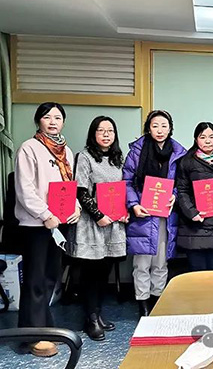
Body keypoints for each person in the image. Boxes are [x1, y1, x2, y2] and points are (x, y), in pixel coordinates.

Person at [14, 102, 80, 357]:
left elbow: (69, 184)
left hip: (58, 224)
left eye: (58, 117)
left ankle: (43, 326)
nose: (53, 122)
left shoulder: (66, 151)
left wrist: (75, 207)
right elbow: (25, 190)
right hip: (36, 224)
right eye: (47, 117)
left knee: (51, 276)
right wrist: (45, 214)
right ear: (38, 121)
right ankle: (32, 336)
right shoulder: (29, 148)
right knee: (35, 279)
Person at [66, 116, 128, 341]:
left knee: (104, 272)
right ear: (93, 134)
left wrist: (125, 211)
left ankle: (98, 314)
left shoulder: (118, 158)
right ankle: (90, 319)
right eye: (101, 130)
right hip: (93, 223)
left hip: (113, 223)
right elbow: (81, 190)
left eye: (110, 131)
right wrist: (98, 215)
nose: (106, 134)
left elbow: (123, 189)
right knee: (91, 273)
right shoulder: (85, 156)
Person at [123, 110, 186, 316]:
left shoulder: (178, 153)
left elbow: (181, 182)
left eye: (164, 126)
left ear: (170, 129)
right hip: (142, 212)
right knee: (142, 262)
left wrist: (174, 196)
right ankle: (142, 302)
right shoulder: (137, 151)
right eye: (155, 125)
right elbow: (127, 181)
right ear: (148, 128)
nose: (160, 130)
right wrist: (133, 204)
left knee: (161, 260)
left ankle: (157, 298)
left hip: (165, 214)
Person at [176, 122, 213, 271]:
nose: (208, 141)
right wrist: (192, 213)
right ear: (196, 139)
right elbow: (182, 190)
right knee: (196, 269)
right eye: (203, 137)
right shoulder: (187, 161)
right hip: (194, 224)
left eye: (212, 137)